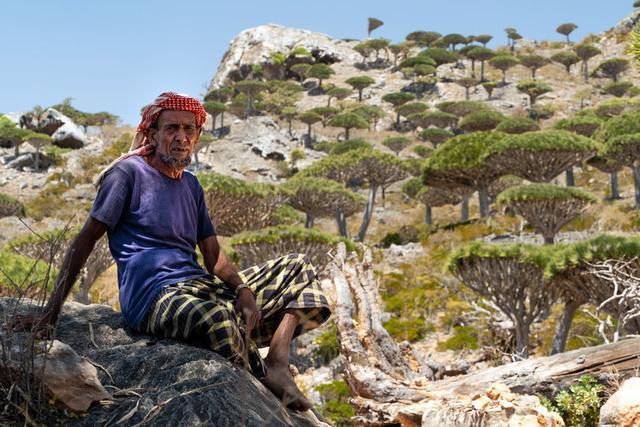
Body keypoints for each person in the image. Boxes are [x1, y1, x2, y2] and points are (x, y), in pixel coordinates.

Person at [11, 92, 331, 411]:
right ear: (153, 134)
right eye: (171, 129)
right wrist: (49, 314)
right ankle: (264, 380)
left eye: (188, 130)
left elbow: (212, 256)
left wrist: (242, 288)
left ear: (197, 136)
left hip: (197, 287)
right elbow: (85, 239)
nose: (181, 137)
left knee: (298, 268)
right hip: (153, 299)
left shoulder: (191, 185)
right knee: (218, 319)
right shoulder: (127, 175)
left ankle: (277, 358)